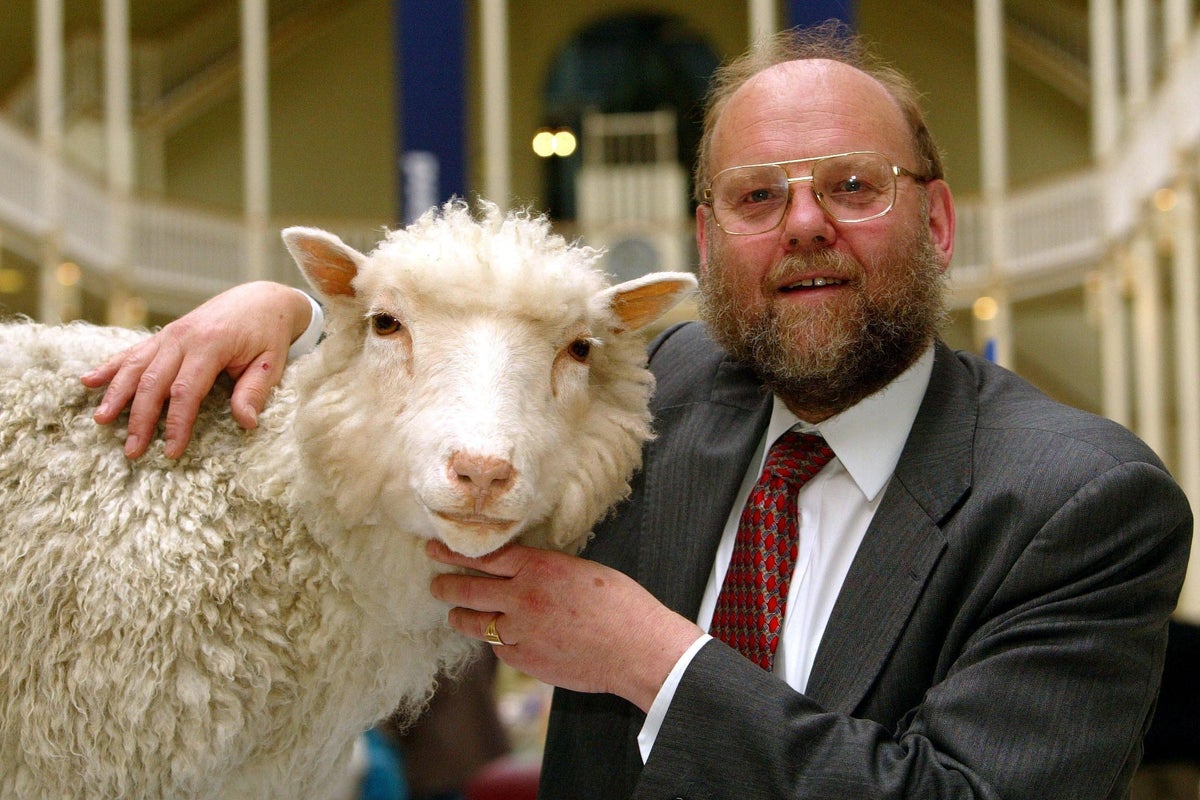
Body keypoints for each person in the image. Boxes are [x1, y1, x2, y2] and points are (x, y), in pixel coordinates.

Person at [83, 23, 1192, 800]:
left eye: (853, 185)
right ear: (707, 244)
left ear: (938, 222)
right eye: (759, 196)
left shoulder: (1082, 503)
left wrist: (655, 659)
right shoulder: (653, 392)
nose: (804, 225)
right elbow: (456, 377)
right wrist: (291, 311)